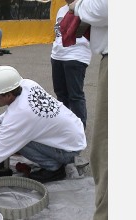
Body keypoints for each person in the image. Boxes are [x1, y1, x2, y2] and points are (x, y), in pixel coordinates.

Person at [69, 0, 108, 219]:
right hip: (63, 58)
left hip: (86, 58)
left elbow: (104, 8)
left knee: (106, 152)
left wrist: (77, 5)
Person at [51, 0, 92, 129]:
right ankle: (64, 125)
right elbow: (58, 34)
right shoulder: (61, 10)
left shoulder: (85, 8)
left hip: (76, 55)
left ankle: (79, 128)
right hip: (57, 55)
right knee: (61, 94)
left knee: (75, 95)